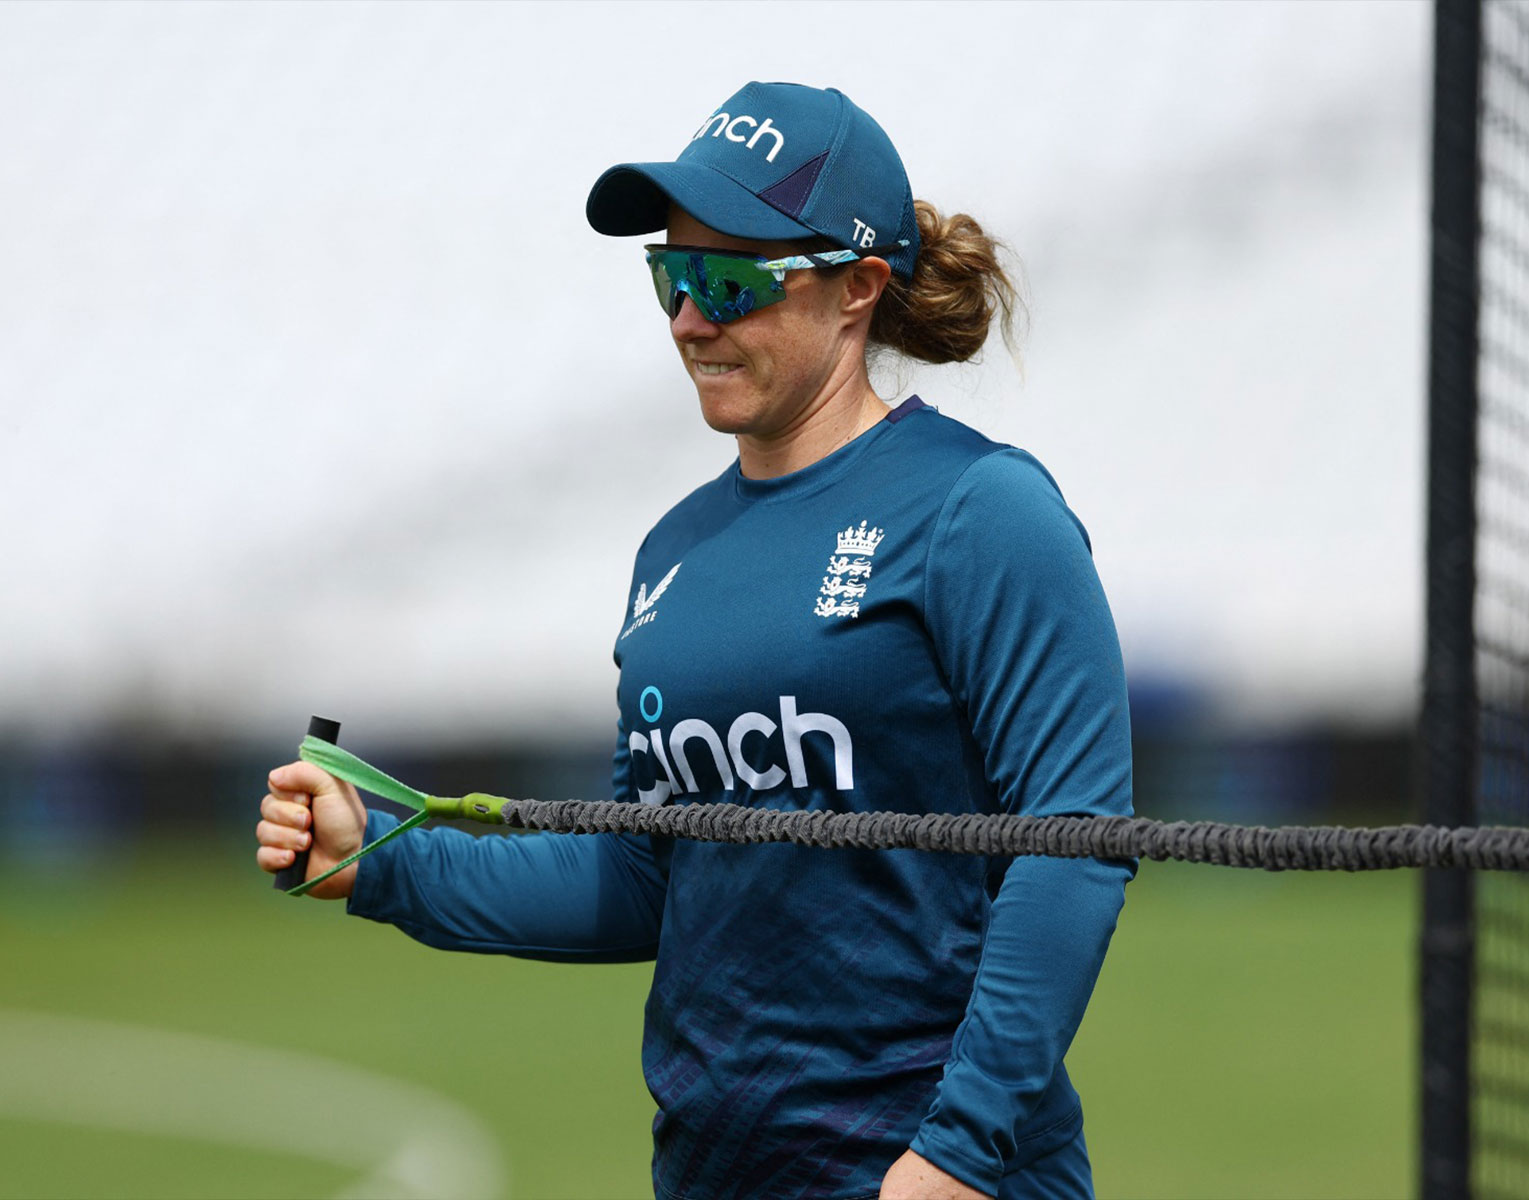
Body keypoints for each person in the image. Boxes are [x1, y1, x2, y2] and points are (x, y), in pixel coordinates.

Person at [257, 81, 1135, 1200]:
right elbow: (645, 871)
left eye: (728, 282)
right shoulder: (672, 553)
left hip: (928, 1178)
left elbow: (1075, 843)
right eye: (671, 278)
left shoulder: (981, 509)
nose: (689, 321)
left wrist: (955, 1156)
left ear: (857, 288)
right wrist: (378, 859)